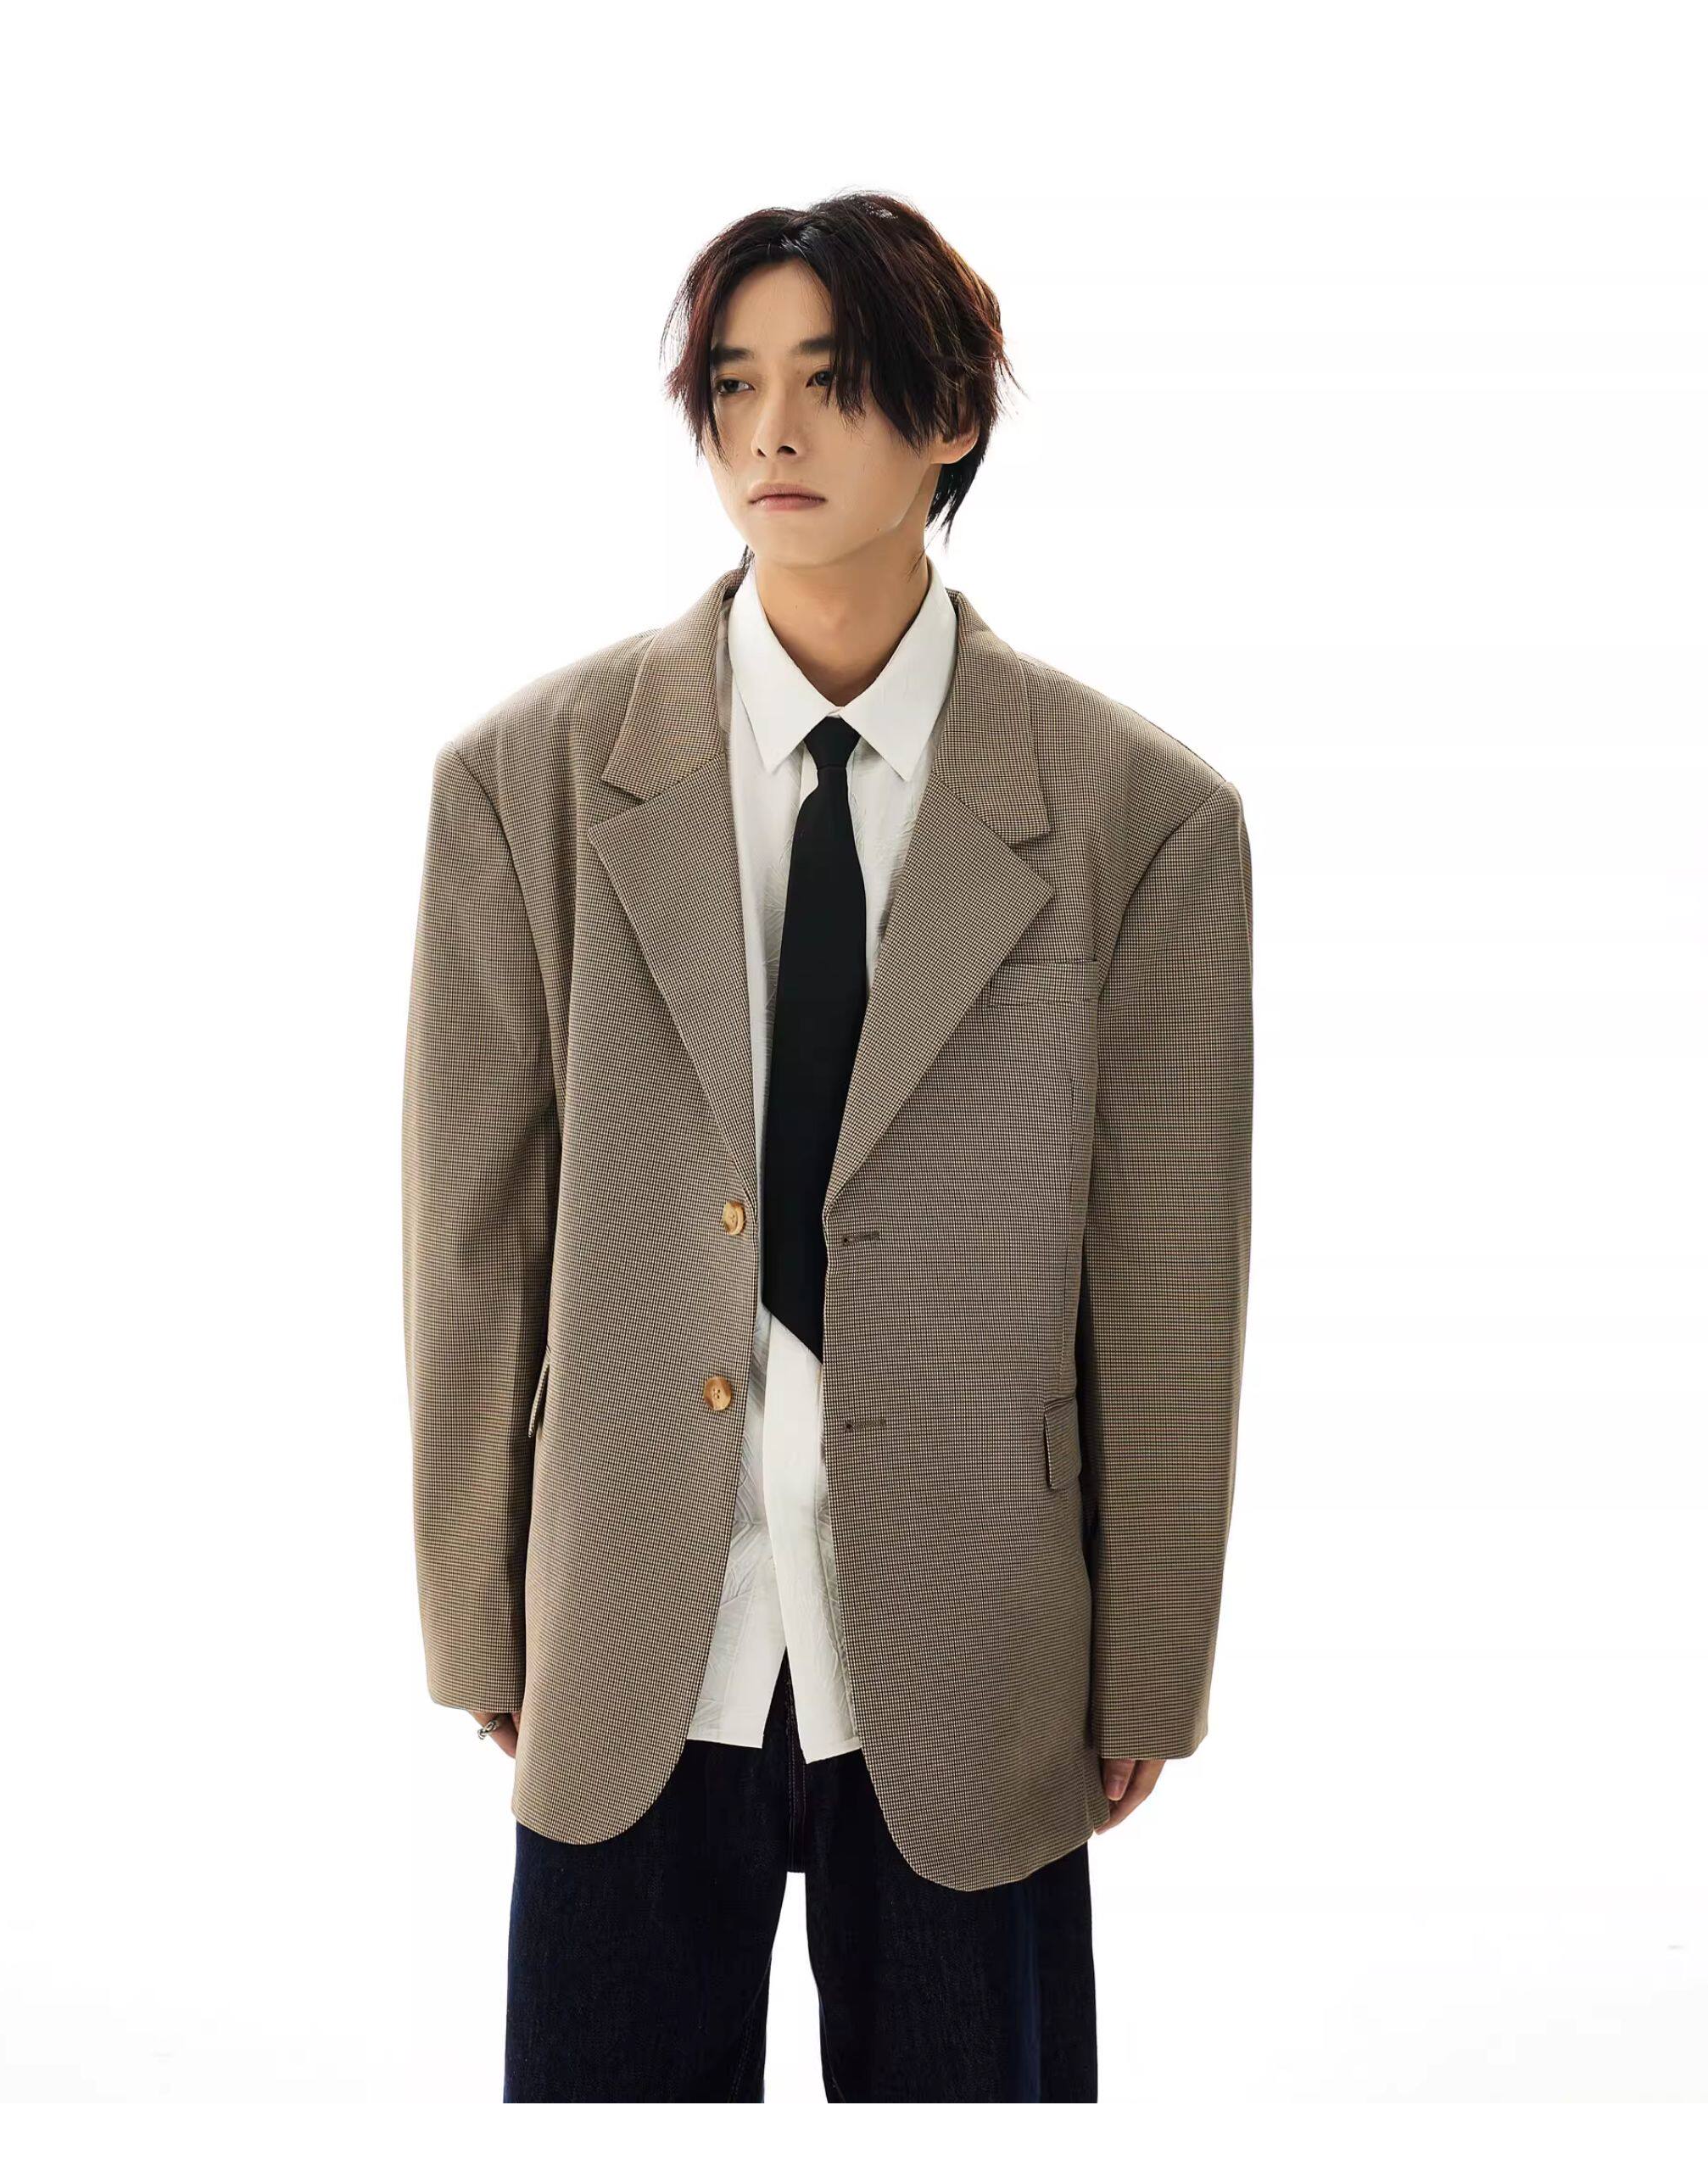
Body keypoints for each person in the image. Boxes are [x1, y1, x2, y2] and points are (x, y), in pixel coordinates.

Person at [401, 191, 1253, 2102]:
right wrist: (479, 1615)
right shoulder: (526, 784)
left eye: (832, 381)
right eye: (732, 385)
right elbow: (472, 1234)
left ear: (949, 419)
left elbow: (1168, 1272)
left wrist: (1147, 1659)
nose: (770, 432)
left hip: (977, 1639)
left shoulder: (1144, 816)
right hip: (633, 1627)